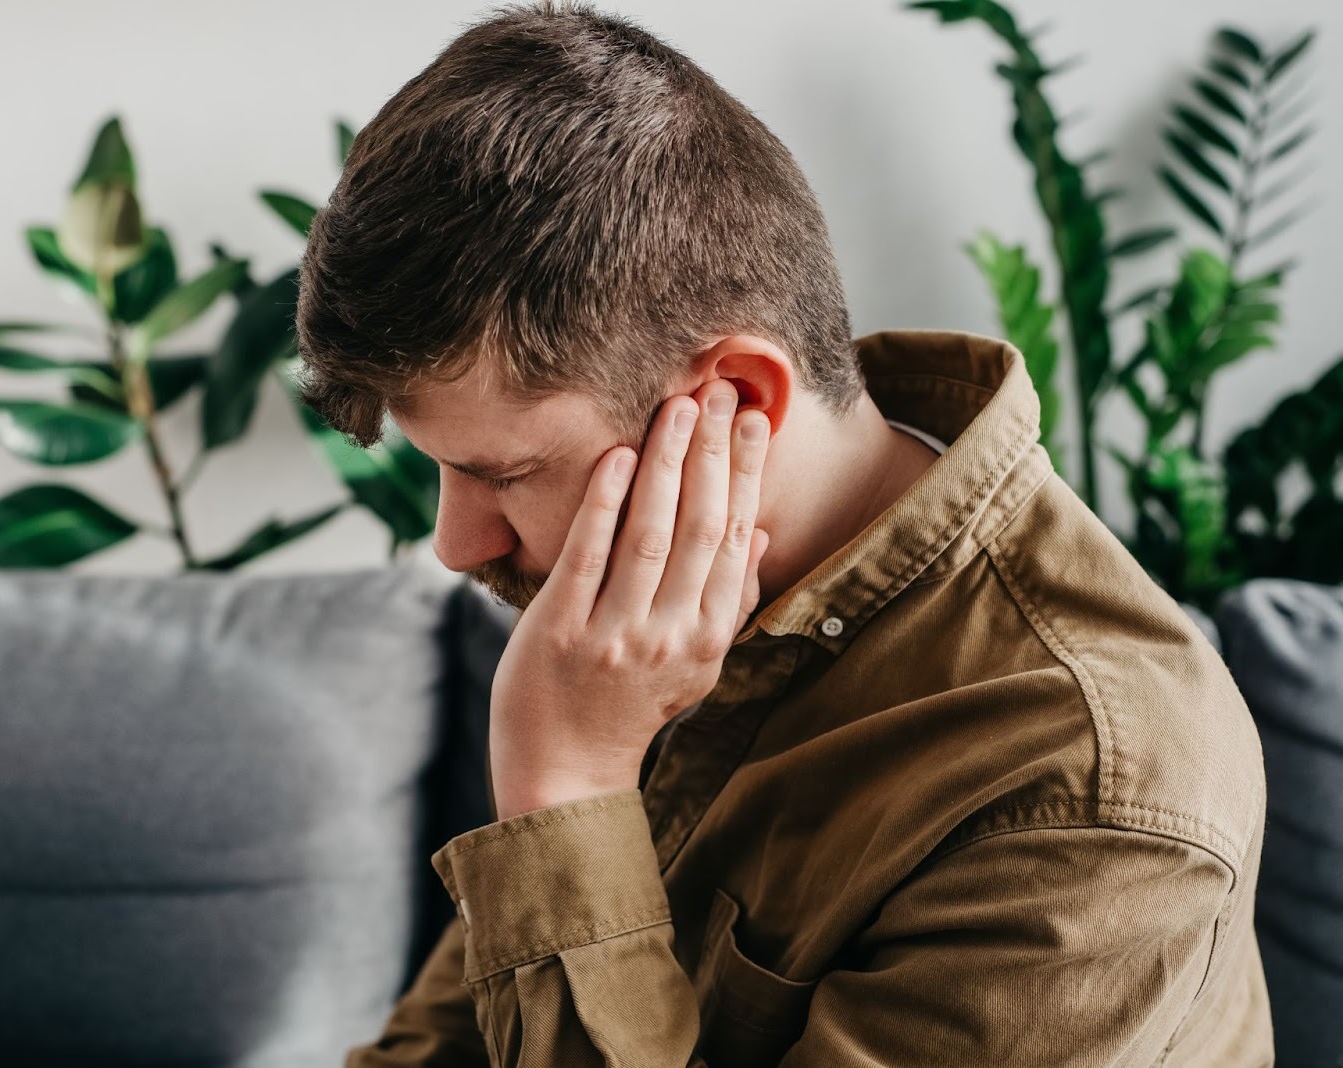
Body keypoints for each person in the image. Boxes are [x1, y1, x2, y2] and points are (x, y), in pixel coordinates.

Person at [294, 2, 1273, 1064]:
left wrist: (566, 790)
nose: (456, 543)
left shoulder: (1089, 793)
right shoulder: (639, 631)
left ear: (737, 399)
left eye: (505, 473)